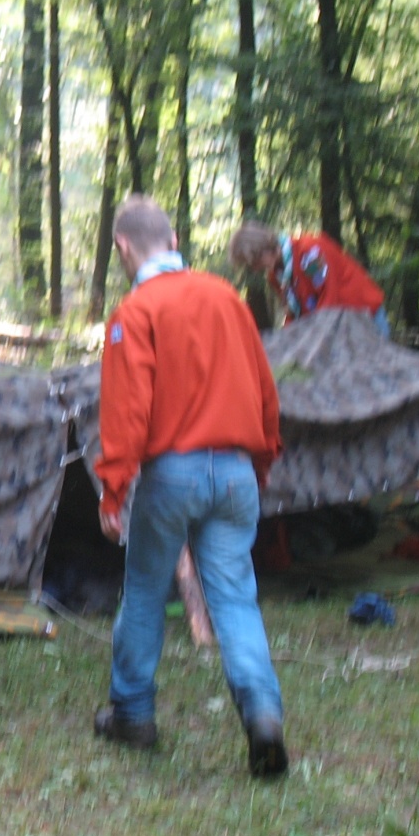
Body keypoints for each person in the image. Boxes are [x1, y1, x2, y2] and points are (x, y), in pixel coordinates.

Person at [94, 195, 289, 778]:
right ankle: (262, 711)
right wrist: (261, 461)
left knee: (148, 592)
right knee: (235, 598)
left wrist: (113, 489)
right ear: (174, 239)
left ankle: (131, 713)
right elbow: (264, 390)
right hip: (233, 472)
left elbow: (127, 412)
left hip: (171, 474)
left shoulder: (135, 312)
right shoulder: (227, 299)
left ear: (123, 249)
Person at [227, 220, 389, 337]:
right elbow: (293, 313)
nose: (255, 269)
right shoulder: (277, 276)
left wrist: (312, 336)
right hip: (336, 326)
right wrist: (289, 337)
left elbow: (329, 296)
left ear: (263, 250)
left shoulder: (309, 253)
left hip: (362, 314)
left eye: (255, 262)